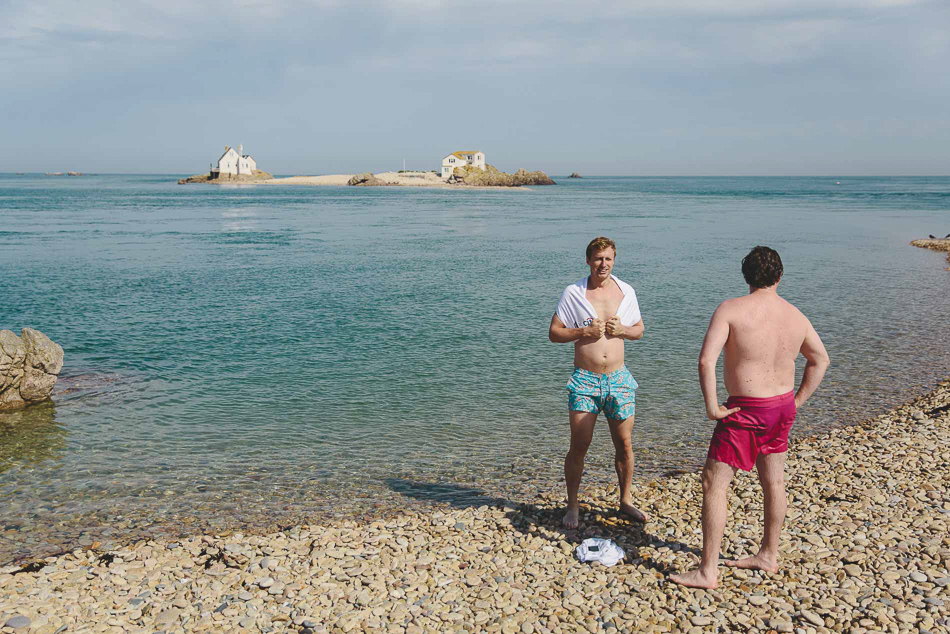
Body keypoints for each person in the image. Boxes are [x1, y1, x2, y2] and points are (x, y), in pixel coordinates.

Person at [671, 246, 830, 589]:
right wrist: (797, 401)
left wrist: (712, 406)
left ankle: (708, 570)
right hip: (781, 407)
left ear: (746, 276)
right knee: (774, 482)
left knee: (714, 484)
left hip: (744, 410)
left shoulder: (731, 309)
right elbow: (820, 361)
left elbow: (705, 361)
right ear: (780, 276)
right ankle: (768, 554)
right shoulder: (796, 316)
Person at [549, 237, 647, 529]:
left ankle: (626, 500)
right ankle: (573, 506)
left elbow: (639, 330)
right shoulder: (574, 293)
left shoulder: (626, 291)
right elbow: (554, 333)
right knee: (579, 444)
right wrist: (583, 330)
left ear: (614, 260)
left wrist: (624, 330)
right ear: (588, 261)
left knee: (625, 444)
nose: (603, 264)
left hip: (619, 378)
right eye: (597, 259)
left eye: (608, 259)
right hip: (585, 381)